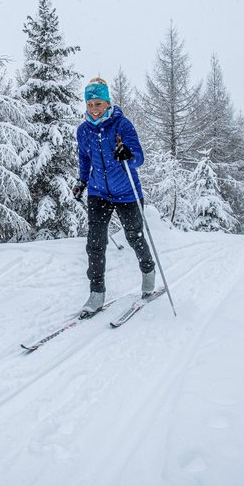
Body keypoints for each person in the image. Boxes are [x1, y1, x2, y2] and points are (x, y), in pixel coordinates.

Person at [72, 77, 156, 315]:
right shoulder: (84, 131)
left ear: (108, 103)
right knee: (95, 244)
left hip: (127, 192)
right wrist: (82, 181)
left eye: (98, 103)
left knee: (134, 237)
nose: (94, 109)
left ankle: (148, 273)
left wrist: (127, 154)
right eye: (90, 104)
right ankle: (96, 293)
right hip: (99, 193)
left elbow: (138, 158)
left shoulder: (122, 125)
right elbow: (85, 159)